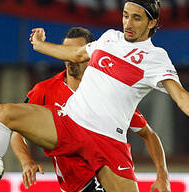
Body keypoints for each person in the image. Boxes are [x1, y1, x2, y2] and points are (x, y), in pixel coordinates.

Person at [0, 0, 189, 192]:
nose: (127, 23)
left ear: (153, 23)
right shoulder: (109, 39)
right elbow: (78, 51)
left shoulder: (156, 58)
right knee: (4, 113)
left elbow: (180, 94)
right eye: (125, 15)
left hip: (108, 142)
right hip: (71, 123)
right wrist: (41, 46)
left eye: (136, 18)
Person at [11, 27, 170, 192]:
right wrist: (26, 162)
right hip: (76, 187)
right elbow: (17, 132)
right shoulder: (44, 90)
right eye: (66, 51)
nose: (70, 58)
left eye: (76, 51)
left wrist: (162, 175)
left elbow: (149, 134)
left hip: (108, 179)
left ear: (91, 53)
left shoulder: (111, 90)